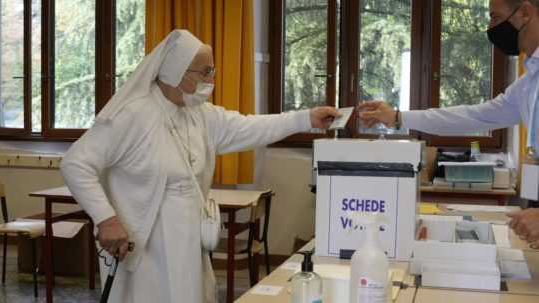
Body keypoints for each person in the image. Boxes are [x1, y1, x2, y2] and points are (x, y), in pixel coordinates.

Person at [61, 29, 340, 303]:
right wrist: (106, 219)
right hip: (146, 245)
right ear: (175, 71)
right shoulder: (133, 114)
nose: (211, 79)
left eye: (212, 71)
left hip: (191, 242)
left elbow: (251, 126)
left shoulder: (200, 115)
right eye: (204, 72)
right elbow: (76, 164)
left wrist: (306, 119)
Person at [356, 0, 539, 249]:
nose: (490, 27)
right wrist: (399, 117)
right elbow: (472, 117)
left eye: (495, 18)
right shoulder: (529, 83)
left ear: (525, 13)